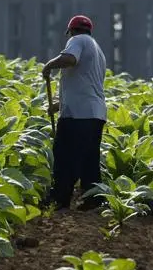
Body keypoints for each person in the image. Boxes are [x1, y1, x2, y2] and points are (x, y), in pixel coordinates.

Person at [42, 15, 107, 211]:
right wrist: (59, 105)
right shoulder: (97, 50)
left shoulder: (77, 41)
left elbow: (69, 59)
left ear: (71, 31)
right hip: (95, 113)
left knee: (63, 156)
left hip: (77, 115)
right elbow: (84, 84)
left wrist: (49, 65)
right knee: (89, 159)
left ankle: (59, 199)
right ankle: (93, 199)